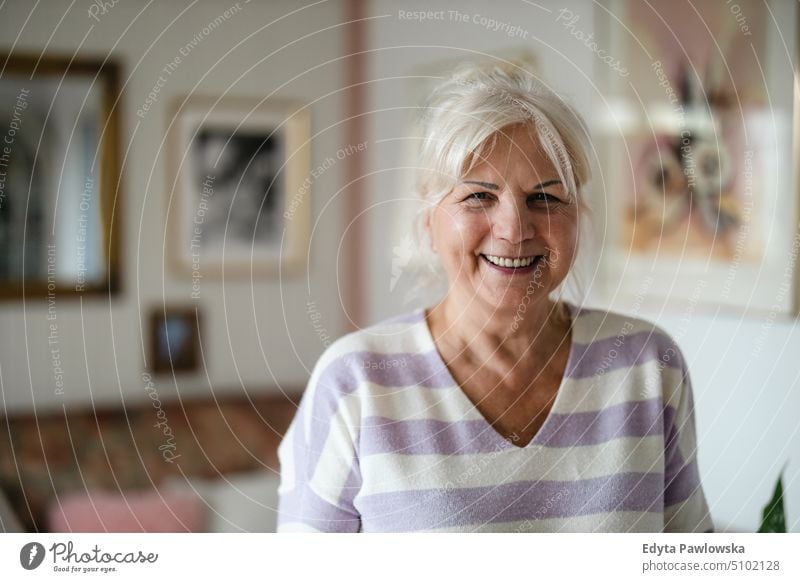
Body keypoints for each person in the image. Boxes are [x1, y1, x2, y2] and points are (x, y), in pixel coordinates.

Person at [276, 61, 714, 533]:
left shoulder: (648, 365)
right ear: (429, 221)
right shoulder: (354, 383)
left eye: (545, 198)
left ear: (578, 216)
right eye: (479, 197)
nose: (514, 229)